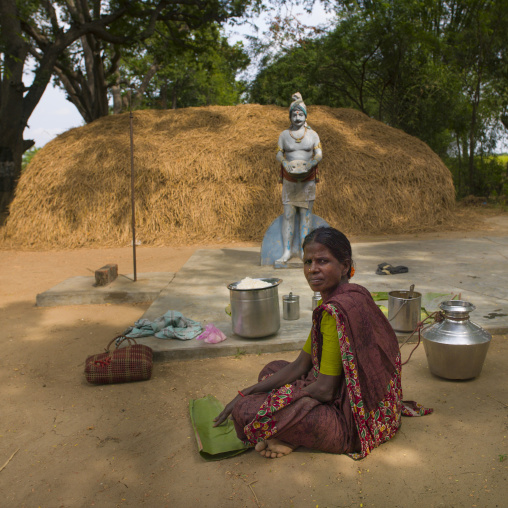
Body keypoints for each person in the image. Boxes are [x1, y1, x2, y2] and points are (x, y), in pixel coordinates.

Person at [214, 226, 432, 459]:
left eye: (323, 261)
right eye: (307, 262)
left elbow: (325, 390)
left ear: (345, 266)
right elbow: (300, 366)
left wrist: (259, 400)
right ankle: (290, 435)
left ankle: (290, 433)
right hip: (379, 410)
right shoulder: (349, 297)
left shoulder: (336, 311)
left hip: (352, 425)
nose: (312, 269)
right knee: (272, 370)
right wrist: (246, 392)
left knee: (245, 411)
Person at [275, 93, 322, 263]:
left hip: (307, 180)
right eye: (294, 114)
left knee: (305, 215)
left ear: (305, 116)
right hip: (289, 179)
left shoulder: (313, 135)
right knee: (288, 214)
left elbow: (319, 153)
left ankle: (304, 252)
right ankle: (287, 251)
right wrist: (285, 163)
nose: (297, 117)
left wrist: (312, 163)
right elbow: (279, 154)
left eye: (300, 114)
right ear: (290, 116)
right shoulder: (284, 135)